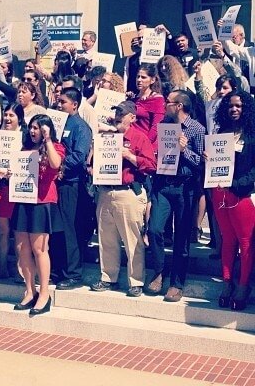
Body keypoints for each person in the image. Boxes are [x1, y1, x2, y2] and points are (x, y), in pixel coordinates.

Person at [89, 101, 156, 297]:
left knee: (132, 240)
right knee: (106, 238)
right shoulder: (107, 137)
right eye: (116, 112)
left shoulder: (139, 138)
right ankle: (108, 277)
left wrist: (129, 155)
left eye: (122, 113)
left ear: (132, 117)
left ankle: (136, 281)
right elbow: (92, 164)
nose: (118, 115)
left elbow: (151, 166)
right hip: (105, 191)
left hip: (128, 192)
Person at [146, 90, 205, 302]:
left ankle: (176, 283)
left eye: (168, 102)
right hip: (163, 184)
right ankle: (159, 271)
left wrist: (184, 150)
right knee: (154, 230)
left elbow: (201, 162)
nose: (164, 105)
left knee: (181, 238)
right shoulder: (164, 125)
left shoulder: (197, 129)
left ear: (179, 105)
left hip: (184, 187)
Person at [12, 114, 65, 315]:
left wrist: (48, 139)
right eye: (32, 127)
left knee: (39, 249)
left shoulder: (55, 147)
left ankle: (44, 294)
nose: (34, 131)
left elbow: (55, 164)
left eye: (38, 128)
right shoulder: (25, 149)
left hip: (42, 202)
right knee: (21, 248)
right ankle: (29, 290)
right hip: (23, 200)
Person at [211, 91, 255, 310]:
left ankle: (243, 286)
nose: (234, 109)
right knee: (227, 240)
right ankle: (227, 283)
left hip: (242, 195)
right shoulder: (221, 132)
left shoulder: (253, 134)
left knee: (246, 242)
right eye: (230, 106)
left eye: (238, 106)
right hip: (220, 193)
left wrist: (237, 186)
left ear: (246, 108)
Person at [54, 88, 93, 290]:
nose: (59, 105)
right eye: (59, 101)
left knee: (70, 229)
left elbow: (79, 156)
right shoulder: (58, 123)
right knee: (57, 228)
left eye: (63, 102)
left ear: (75, 105)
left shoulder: (80, 127)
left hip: (72, 183)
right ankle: (57, 270)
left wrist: (61, 166)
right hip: (56, 183)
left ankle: (73, 274)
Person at [0, 102, 25, 280]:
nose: (8, 118)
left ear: (20, 118)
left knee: (18, 231)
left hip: (19, 190)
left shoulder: (25, 138)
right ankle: (1, 267)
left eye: (12, 115)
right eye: (6, 115)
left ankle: (20, 270)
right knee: (2, 231)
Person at [134, 64, 165, 147]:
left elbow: (157, 127)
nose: (139, 80)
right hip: (132, 143)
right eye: (138, 76)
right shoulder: (133, 98)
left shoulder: (157, 99)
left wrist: (144, 145)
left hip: (146, 145)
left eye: (143, 77)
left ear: (152, 80)